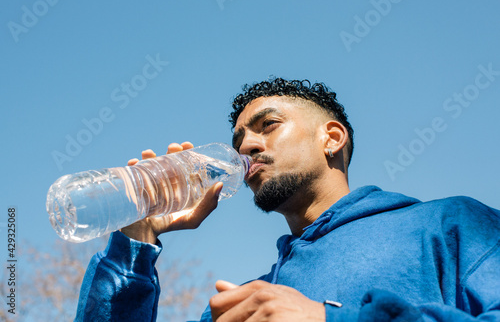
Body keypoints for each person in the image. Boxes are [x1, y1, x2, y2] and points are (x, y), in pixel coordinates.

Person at [75, 78, 500, 321]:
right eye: (239, 139)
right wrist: (135, 240)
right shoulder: (244, 303)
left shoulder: (450, 225)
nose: (247, 147)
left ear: (331, 138)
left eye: (268, 125)